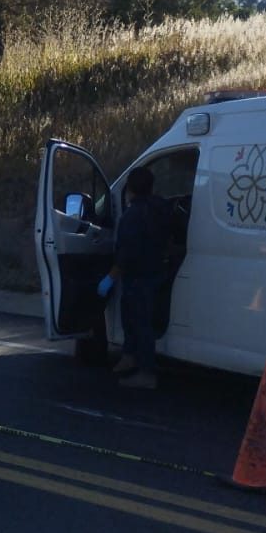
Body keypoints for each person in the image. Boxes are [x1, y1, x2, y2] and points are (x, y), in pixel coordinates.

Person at [99, 166, 172, 389]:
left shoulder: (133, 215)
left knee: (140, 324)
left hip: (138, 276)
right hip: (157, 271)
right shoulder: (161, 208)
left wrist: (110, 277)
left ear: (129, 188)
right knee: (131, 317)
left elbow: (126, 253)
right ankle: (129, 355)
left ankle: (146, 373)